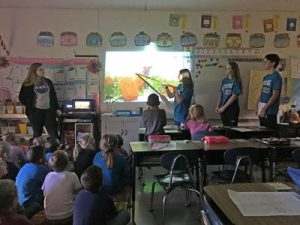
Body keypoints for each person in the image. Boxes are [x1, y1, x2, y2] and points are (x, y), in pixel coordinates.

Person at [19, 62, 61, 141]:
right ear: (34, 71)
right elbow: (22, 97)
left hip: (49, 110)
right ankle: (37, 151)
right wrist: (31, 106)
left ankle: (55, 151)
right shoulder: (27, 84)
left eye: (43, 69)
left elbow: (53, 96)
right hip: (35, 112)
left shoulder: (48, 82)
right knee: (37, 134)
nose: (43, 71)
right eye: (40, 69)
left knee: (54, 133)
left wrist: (57, 108)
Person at [42, 150, 81, 224]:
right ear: (67, 163)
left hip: (49, 216)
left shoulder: (48, 175)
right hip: (68, 215)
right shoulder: (72, 175)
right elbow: (78, 194)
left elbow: (45, 194)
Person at [16, 145, 50, 218]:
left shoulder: (25, 166)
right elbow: (51, 184)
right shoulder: (41, 169)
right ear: (41, 159)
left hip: (19, 201)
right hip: (29, 203)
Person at [257, 54, 282, 129]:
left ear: (273, 63)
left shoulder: (276, 77)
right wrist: (257, 106)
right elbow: (262, 93)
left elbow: (275, 95)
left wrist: (264, 109)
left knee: (269, 134)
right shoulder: (266, 77)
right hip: (261, 108)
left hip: (270, 110)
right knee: (262, 133)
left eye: (266, 62)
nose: (264, 64)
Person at [216, 61, 242, 126]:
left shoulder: (236, 81)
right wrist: (218, 105)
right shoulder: (224, 80)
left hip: (232, 108)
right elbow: (221, 93)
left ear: (233, 70)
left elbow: (234, 95)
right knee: (225, 127)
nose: (226, 70)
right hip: (223, 108)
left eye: (228, 68)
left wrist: (224, 107)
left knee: (232, 129)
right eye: (226, 68)